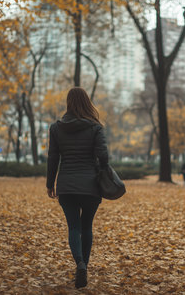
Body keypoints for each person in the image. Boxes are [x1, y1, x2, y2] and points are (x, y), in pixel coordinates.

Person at [46, 87, 108, 289]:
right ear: (87, 102)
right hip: (90, 186)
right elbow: (103, 154)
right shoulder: (95, 127)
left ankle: (79, 263)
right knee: (86, 226)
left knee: (73, 227)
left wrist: (50, 183)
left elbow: (53, 158)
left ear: (68, 103)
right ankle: (84, 267)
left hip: (66, 186)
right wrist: (103, 170)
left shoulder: (56, 128)